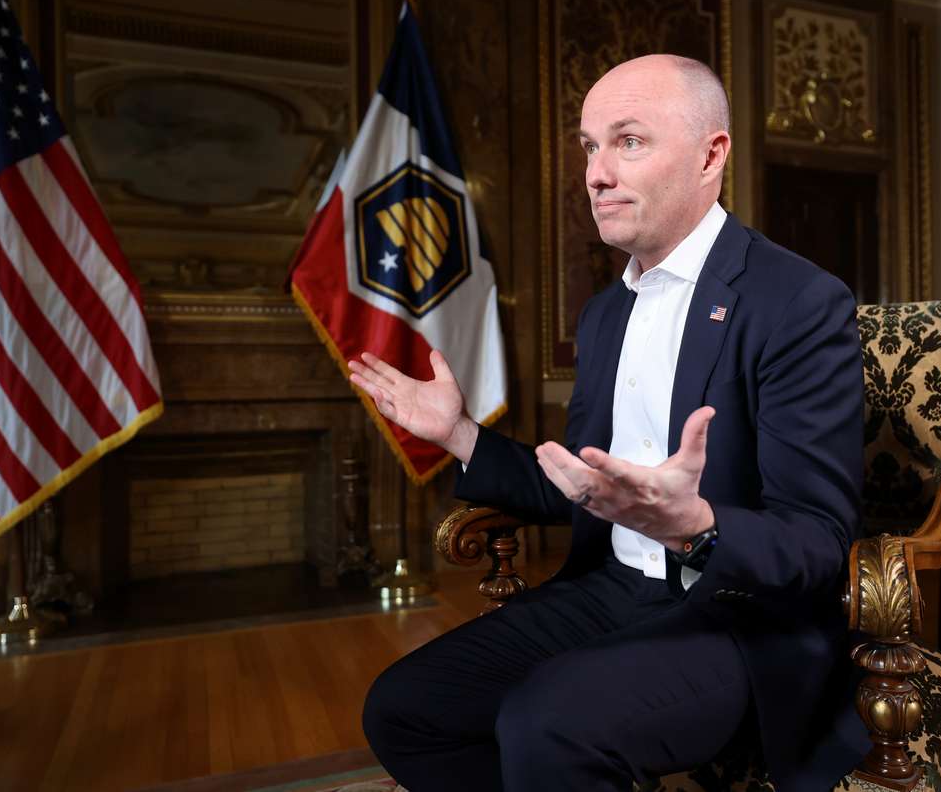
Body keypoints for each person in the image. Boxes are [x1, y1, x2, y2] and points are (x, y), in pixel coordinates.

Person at [353, 54, 868, 792]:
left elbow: (817, 542)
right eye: (590, 146)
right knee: (404, 709)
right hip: (613, 589)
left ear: (710, 155)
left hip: (738, 616)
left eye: (628, 141)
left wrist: (695, 524)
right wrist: (459, 433)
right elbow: (578, 480)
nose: (595, 172)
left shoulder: (799, 302)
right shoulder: (603, 316)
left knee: (546, 720)